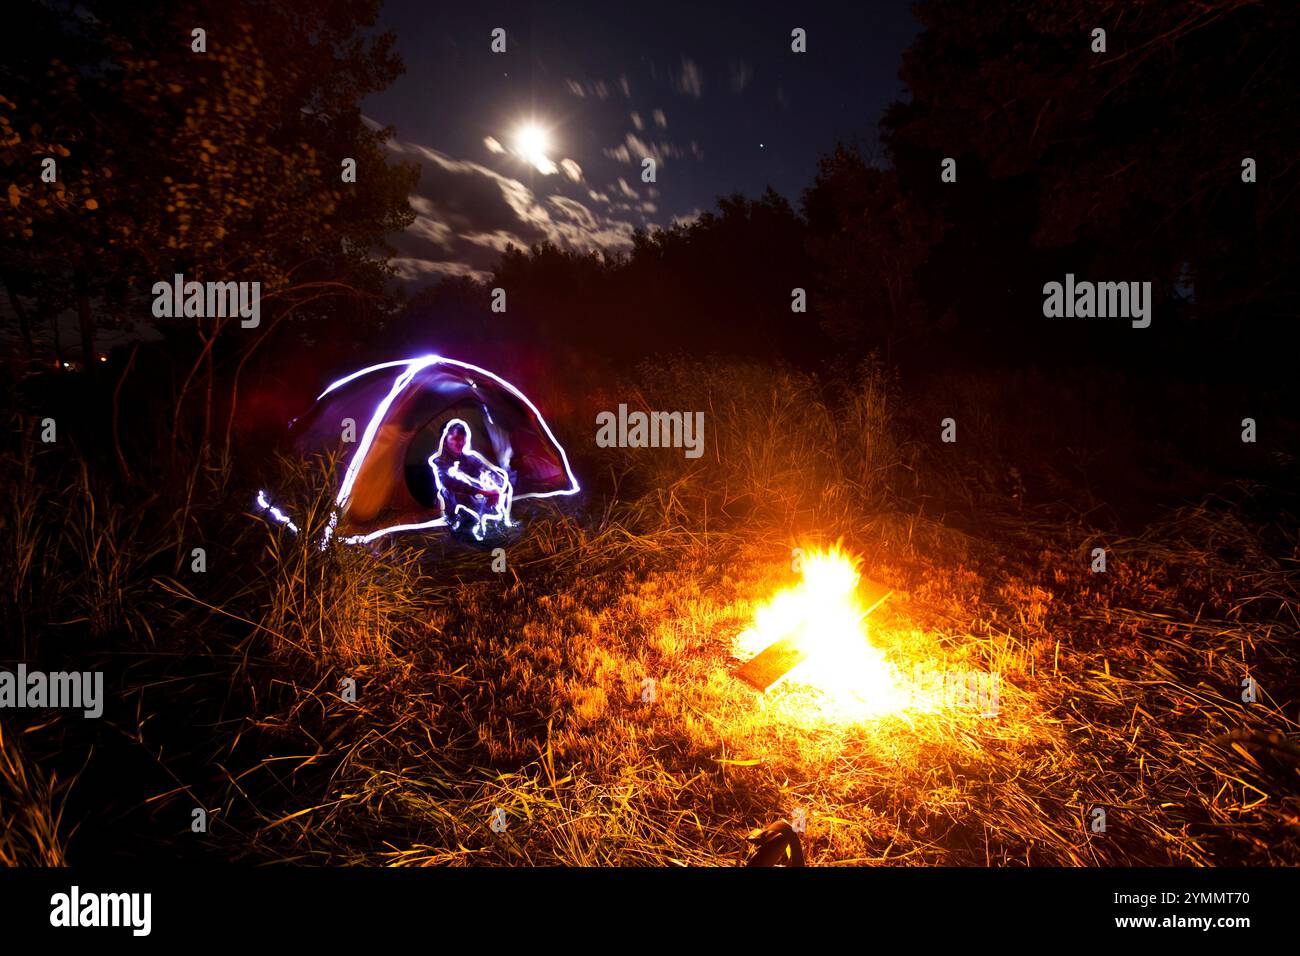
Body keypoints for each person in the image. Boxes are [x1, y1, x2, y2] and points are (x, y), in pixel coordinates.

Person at [427, 419, 514, 540]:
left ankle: (493, 524)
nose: (460, 442)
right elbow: (449, 483)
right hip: (454, 505)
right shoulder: (439, 461)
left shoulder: (469, 458)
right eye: (456, 438)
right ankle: (461, 525)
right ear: (445, 440)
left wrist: (497, 489)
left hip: (478, 500)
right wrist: (483, 492)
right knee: (460, 489)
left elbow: (490, 472)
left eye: (463, 438)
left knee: (500, 485)